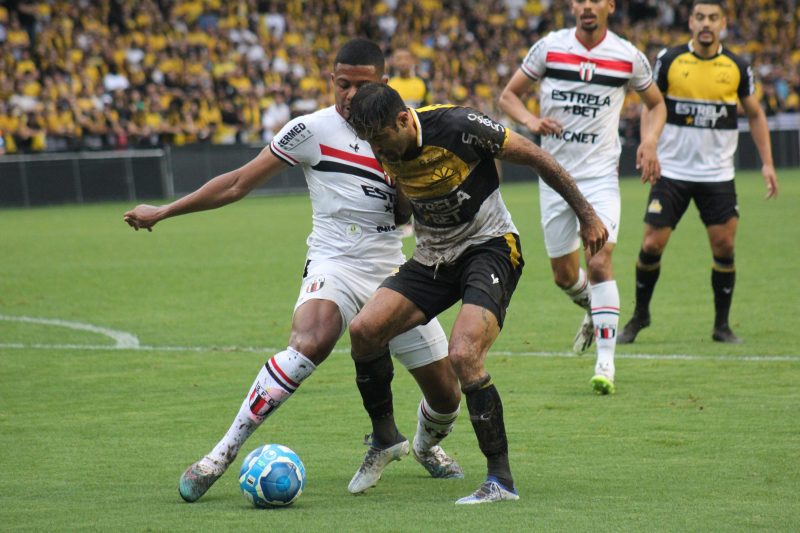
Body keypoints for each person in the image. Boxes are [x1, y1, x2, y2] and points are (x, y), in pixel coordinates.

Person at [123, 38, 463, 503]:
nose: (348, 95)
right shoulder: (309, 130)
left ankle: (423, 446)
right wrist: (165, 211)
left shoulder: (403, 132)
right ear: (331, 80)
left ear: (384, 85)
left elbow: (405, 216)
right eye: (342, 83)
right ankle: (219, 455)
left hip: (393, 271)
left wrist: (406, 178)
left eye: (361, 86)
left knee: (447, 397)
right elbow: (238, 182)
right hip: (335, 261)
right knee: (310, 341)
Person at [346, 82, 608, 504]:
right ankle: (385, 438)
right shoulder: (383, 144)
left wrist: (587, 215)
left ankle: (500, 481)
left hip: (490, 247)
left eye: (380, 138)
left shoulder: (459, 125)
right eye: (370, 141)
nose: (378, 148)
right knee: (364, 330)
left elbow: (538, 157)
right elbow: (401, 209)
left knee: (464, 354)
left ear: (402, 119)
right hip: (433, 257)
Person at [498, 0, 666, 394]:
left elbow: (656, 104)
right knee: (562, 274)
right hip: (553, 175)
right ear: (573, 6)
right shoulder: (549, 48)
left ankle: (605, 362)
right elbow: (509, 96)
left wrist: (650, 141)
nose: (588, 6)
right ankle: (595, 308)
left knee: (600, 258)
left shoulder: (627, 56)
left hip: (599, 177)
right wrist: (530, 121)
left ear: (610, 6)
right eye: (581, 0)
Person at [617, 0, 779, 345]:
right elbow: (650, 103)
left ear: (723, 23)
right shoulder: (670, 59)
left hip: (717, 175)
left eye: (713, 18)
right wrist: (649, 142)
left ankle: (722, 326)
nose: (706, 24)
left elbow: (756, 114)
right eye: (700, 17)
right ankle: (640, 315)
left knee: (724, 246)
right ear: (691, 22)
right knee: (651, 242)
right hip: (672, 171)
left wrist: (767, 162)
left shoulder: (737, 66)